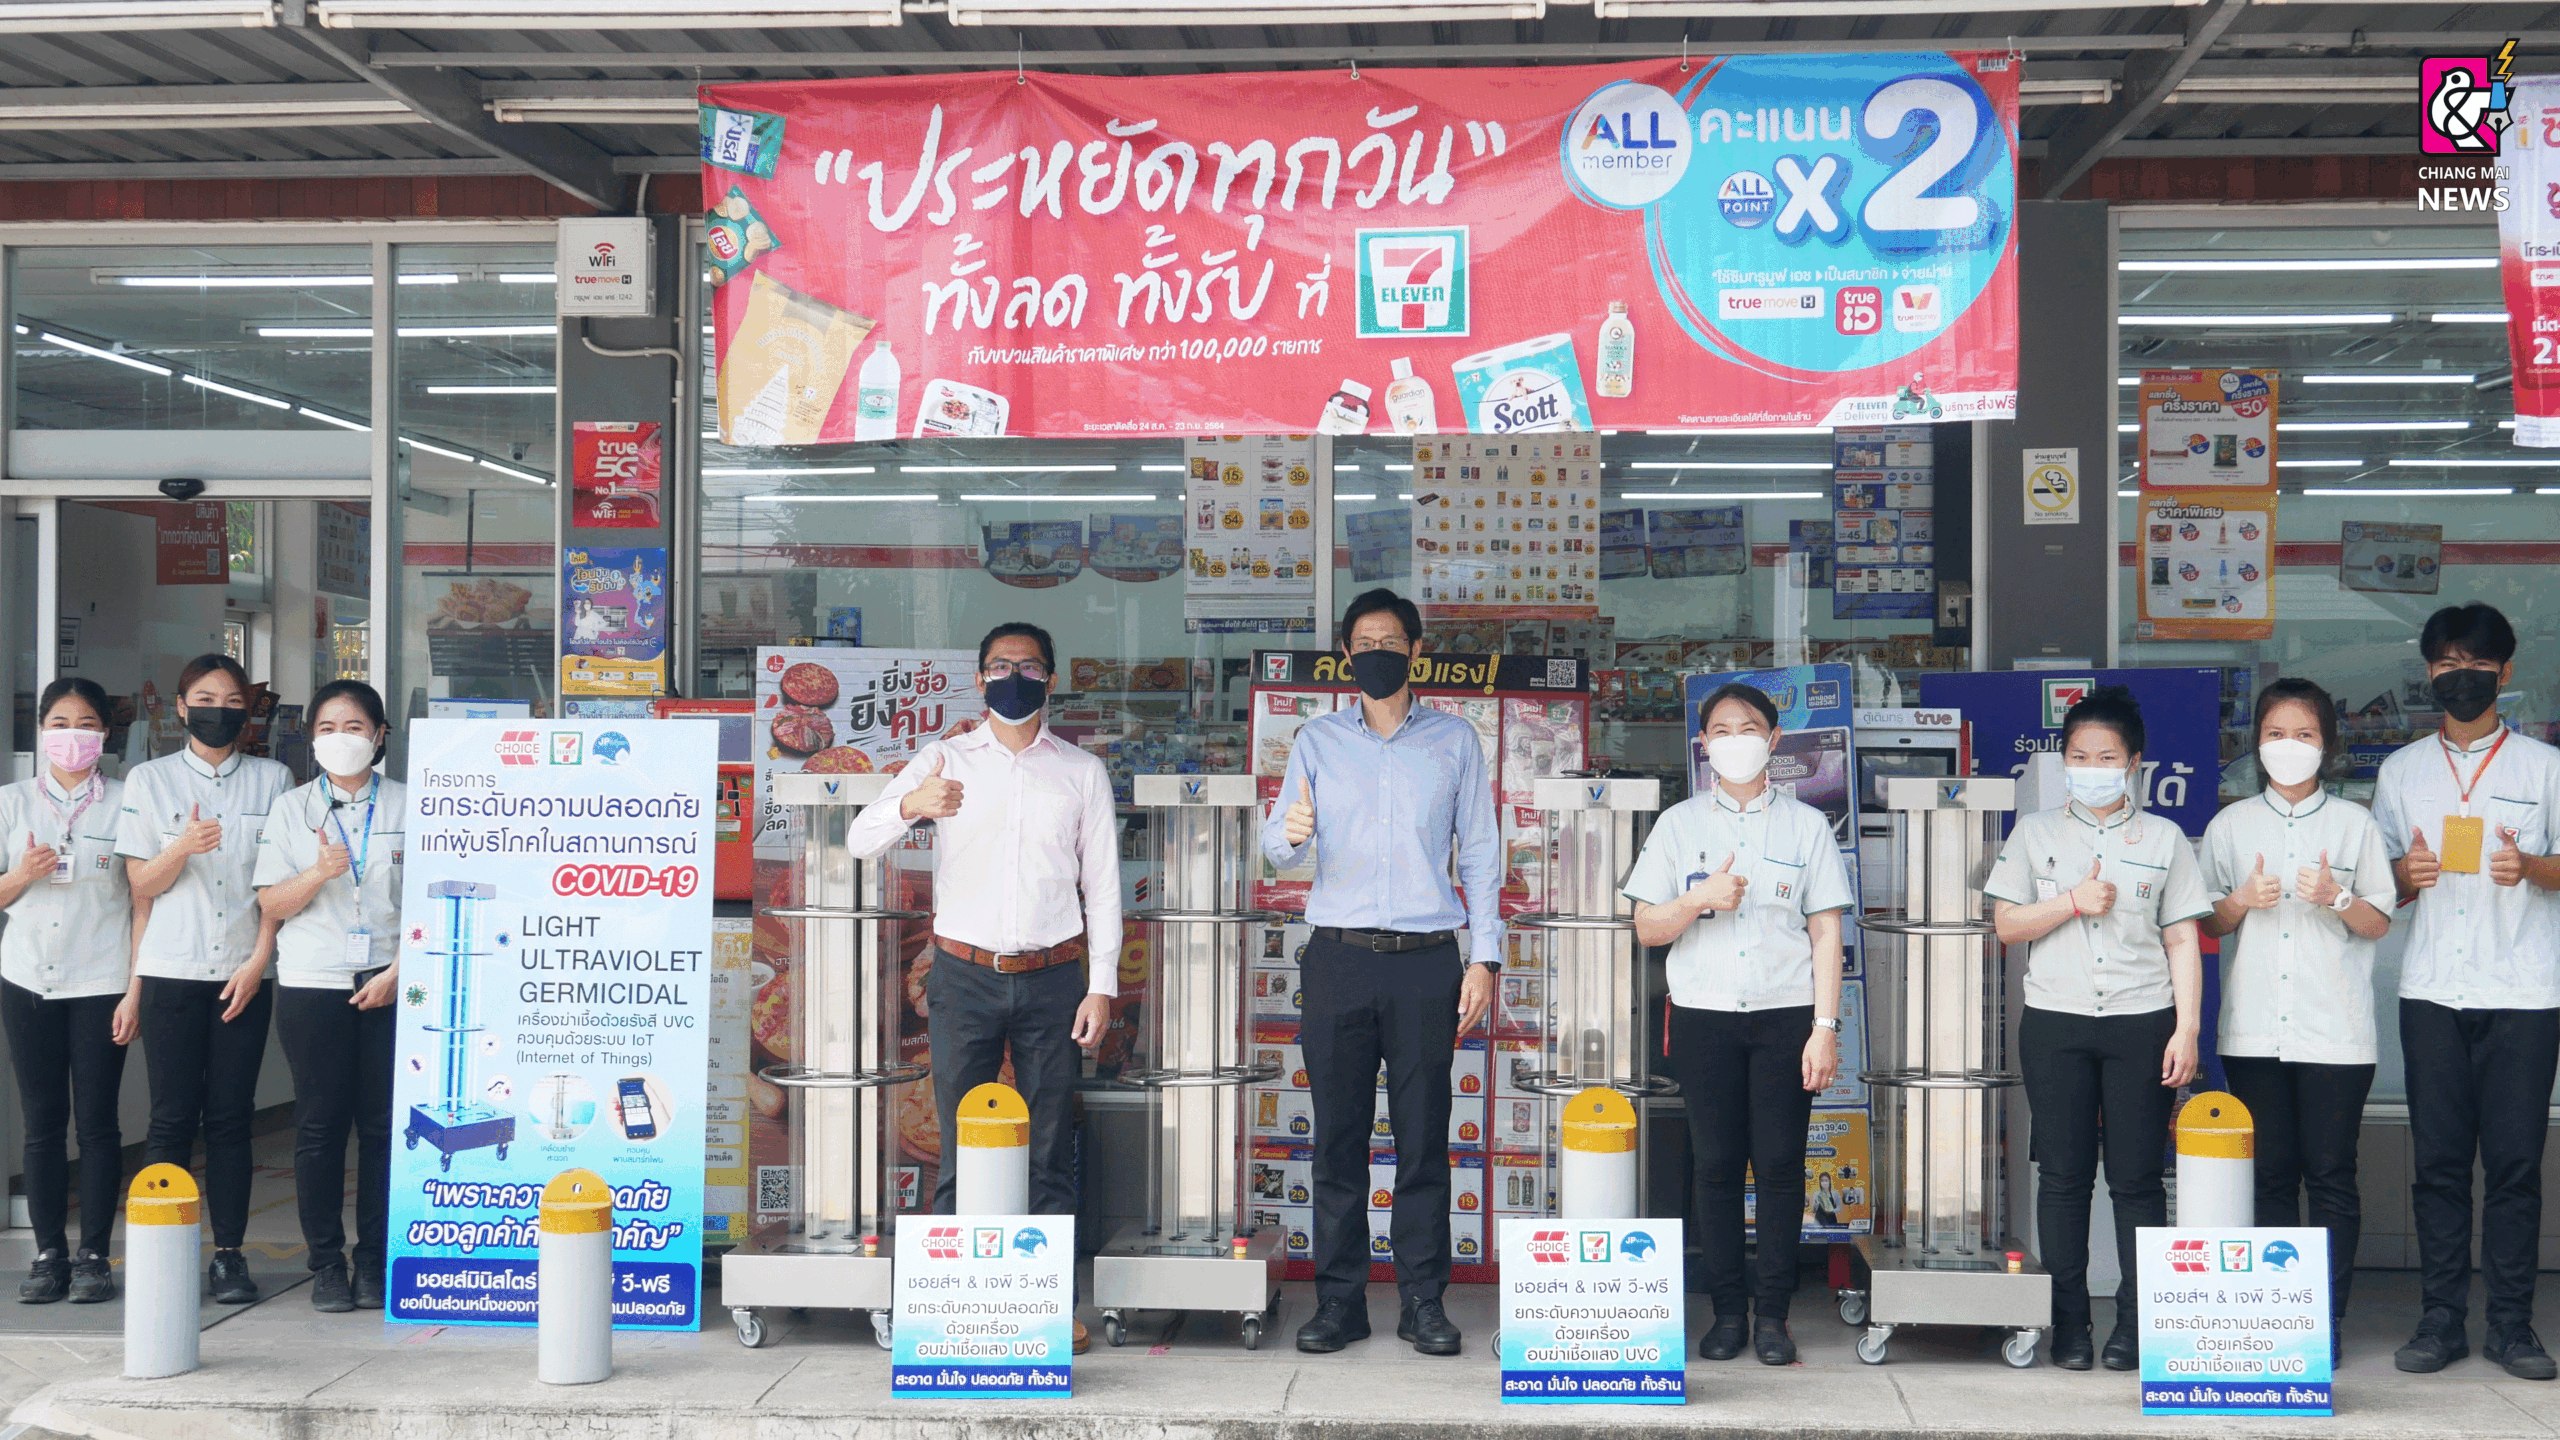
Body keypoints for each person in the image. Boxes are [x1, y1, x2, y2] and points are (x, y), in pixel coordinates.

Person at [847, 622, 1119, 1352]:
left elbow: (1103, 885)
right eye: (1000, 666)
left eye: (1028, 667)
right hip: (962, 975)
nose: (1014, 678)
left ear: (1050, 679)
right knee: (958, 1143)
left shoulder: (1081, 772)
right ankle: (952, 1309)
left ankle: (1048, 1308)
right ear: (980, 678)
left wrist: (1101, 986)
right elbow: (860, 838)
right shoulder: (944, 759)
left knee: (1049, 1147)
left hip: (1053, 977)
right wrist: (914, 803)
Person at [1259, 588, 1500, 1358]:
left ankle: (1424, 1302)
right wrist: (1289, 832)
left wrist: (1485, 956)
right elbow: (1277, 847)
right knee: (1338, 1139)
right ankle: (1340, 1303)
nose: (1377, 654)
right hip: (1338, 959)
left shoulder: (1455, 742)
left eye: (1390, 642)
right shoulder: (1318, 740)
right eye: (1363, 644)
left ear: (1416, 651)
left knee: (1424, 1138)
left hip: (1427, 962)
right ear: (1346, 654)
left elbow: (1480, 853)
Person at [1622, 681, 1850, 1365]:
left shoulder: (1807, 826)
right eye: (1721, 730)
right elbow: (1646, 927)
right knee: (1716, 1166)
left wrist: (1825, 1026)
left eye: (1748, 728)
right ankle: (1726, 1313)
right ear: (1703, 745)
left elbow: (1826, 933)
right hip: (1705, 1018)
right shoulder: (1679, 825)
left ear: (1774, 740)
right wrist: (1698, 900)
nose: (1735, 740)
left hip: (1786, 1016)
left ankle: (1773, 1315)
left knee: (1780, 1165)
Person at [1986, 685, 2208, 1372]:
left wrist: (2187, 1030)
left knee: (2137, 1180)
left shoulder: (2165, 839)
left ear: (2134, 762)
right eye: (2078, 756)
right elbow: (2005, 924)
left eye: (2106, 756)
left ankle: (2136, 1326)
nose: (2091, 768)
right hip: (2057, 1020)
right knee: (2063, 1176)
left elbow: (2182, 939)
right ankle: (2071, 1323)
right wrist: (2072, 903)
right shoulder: (2035, 833)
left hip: (2142, 1020)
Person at [2374, 602, 2560, 1380]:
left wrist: (2535, 868)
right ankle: (2441, 1321)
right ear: (2429, 673)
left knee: (2515, 1167)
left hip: (2524, 993)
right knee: (2440, 1166)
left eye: (2478, 662)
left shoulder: (2545, 769)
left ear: (2505, 671)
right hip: (2432, 994)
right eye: (2448, 663)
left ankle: (2512, 1327)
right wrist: (2403, 875)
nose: (2462, 676)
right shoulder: (2402, 772)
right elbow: (2376, 888)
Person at [2199, 678, 2394, 1360]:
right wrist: (2239, 900)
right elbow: (2206, 924)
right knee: (2271, 1175)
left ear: (2327, 745)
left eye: (2304, 734)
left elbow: (2378, 922)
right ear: (2256, 744)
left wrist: (2337, 896)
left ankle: (2326, 1323)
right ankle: (2282, 1320)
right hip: (2254, 1031)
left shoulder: (2354, 825)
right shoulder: (2229, 827)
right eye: (2276, 734)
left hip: (2335, 1032)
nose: (2289, 746)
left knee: (2331, 1173)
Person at [115, 653, 294, 1305]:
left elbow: (277, 889)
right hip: (172, 970)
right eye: (207, 699)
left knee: (229, 1119)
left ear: (249, 711)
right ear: (182, 707)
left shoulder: (275, 781)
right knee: (169, 1118)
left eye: (233, 701)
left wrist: (259, 960)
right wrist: (182, 848)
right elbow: (141, 885)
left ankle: (229, 1257)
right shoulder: (149, 780)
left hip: (243, 975)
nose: (220, 711)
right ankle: (160, 1257)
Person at [253, 680, 405, 1314]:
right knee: (318, 1128)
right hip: (313, 983)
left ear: (379, 735)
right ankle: (325, 1265)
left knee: (382, 1129)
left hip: (391, 981)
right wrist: (318, 872)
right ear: (311, 739)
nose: (340, 739)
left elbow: (435, 901)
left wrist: (400, 970)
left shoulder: (410, 804)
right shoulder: (292, 810)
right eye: (327, 728)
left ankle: (373, 1262)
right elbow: (271, 902)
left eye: (354, 727)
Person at [0, 678, 133, 1303]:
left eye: (85, 724)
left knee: (98, 1124)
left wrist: (136, 989)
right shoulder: (11, 802)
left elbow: (143, 899)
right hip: (27, 977)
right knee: (42, 1123)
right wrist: (19, 876)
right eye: (59, 722)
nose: (72, 735)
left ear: (104, 733)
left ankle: (93, 1257)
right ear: (41, 730)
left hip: (101, 978)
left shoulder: (128, 802)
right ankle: (48, 1253)